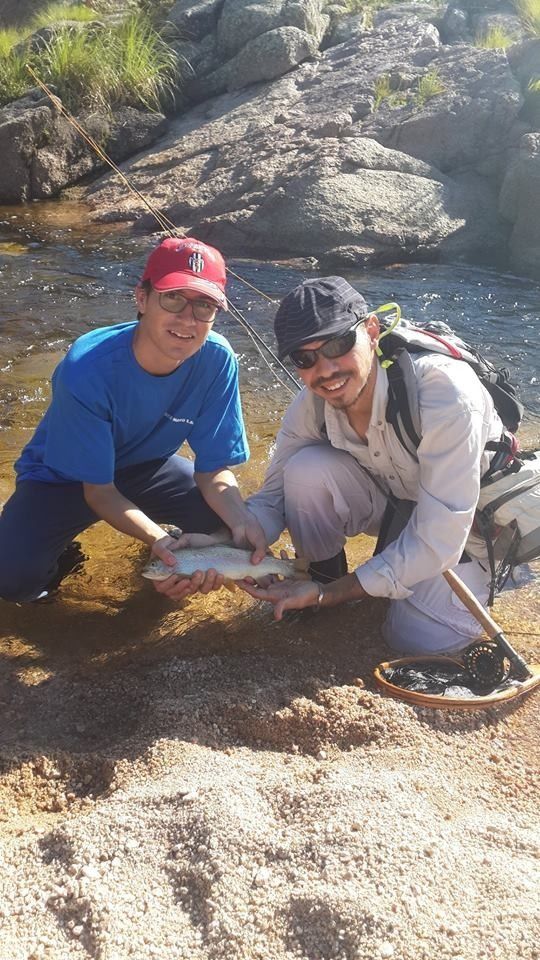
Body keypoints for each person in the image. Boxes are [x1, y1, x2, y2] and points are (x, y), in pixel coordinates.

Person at [179, 276, 509, 655]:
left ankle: (487, 581)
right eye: (305, 358)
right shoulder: (311, 404)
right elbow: (272, 499)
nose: (326, 369)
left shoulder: (444, 392)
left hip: (472, 524)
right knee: (304, 471)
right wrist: (224, 543)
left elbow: (440, 537)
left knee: (414, 644)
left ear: (371, 330)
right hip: (399, 502)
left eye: (338, 344)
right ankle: (318, 578)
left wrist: (329, 596)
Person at [0, 236, 266, 604]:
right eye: (173, 298)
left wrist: (243, 522)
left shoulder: (217, 360)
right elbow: (99, 491)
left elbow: (213, 469)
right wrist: (161, 543)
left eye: (204, 305)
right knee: (13, 581)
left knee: (221, 527)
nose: (188, 319)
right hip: (62, 480)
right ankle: (62, 557)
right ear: (142, 298)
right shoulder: (87, 368)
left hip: (147, 468)